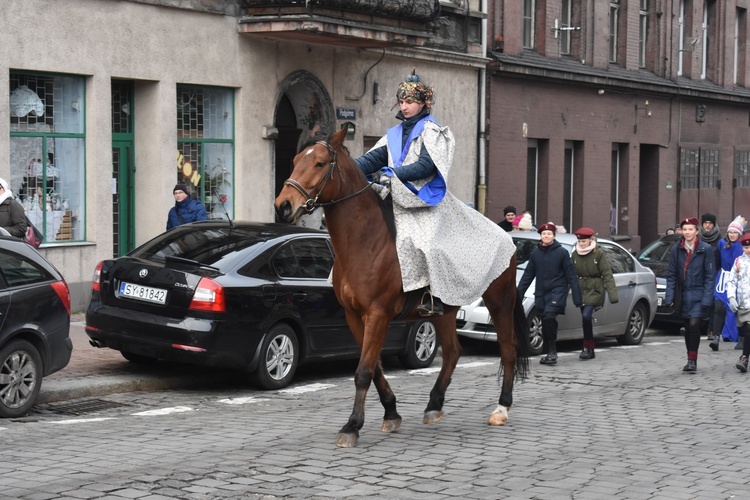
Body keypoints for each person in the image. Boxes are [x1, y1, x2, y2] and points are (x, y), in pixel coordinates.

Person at [354, 69, 516, 317]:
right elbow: (372, 158)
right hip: (397, 198)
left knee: (429, 244)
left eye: (410, 102)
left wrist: (391, 174)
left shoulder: (432, 130)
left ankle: (433, 296)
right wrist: (348, 167)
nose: (405, 107)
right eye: (402, 102)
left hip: (426, 200)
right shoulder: (394, 134)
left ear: (424, 103)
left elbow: (426, 166)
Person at [517, 222, 582, 365]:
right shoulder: (535, 253)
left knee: (549, 317)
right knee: (545, 320)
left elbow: (571, 275)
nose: (546, 236)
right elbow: (528, 275)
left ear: (554, 236)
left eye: (549, 234)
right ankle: (549, 351)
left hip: (557, 291)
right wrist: (518, 296)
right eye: (544, 234)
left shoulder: (562, 253)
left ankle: (552, 352)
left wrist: (578, 298)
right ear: (540, 236)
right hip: (541, 293)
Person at [663, 217, 715, 373]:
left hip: (699, 293)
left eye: (690, 229)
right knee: (687, 326)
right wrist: (670, 296)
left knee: (694, 325)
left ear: (697, 231)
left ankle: (693, 360)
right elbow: (671, 274)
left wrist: (707, 299)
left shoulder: (706, 249)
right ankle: (690, 358)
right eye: (685, 229)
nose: (687, 232)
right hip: (684, 294)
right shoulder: (676, 250)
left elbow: (710, 276)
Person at [571, 227, 619, 360]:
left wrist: (612, 294)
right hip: (581, 289)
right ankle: (589, 348)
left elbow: (607, 274)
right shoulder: (575, 254)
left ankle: (587, 347)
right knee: (585, 319)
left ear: (590, 240)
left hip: (595, 289)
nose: (581, 244)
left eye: (584, 241)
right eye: (579, 241)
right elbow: (571, 273)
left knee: (586, 316)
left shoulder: (599, 254)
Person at [710, 216, 745, 352]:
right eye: (730, 232)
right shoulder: (721, 244)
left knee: (736, 309)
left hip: (737, 279)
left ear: (739, 234)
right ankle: (716, 337)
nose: (732, 234)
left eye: (735, 232)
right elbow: (717, 259)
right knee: (718, 308)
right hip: (723, 279)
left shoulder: (742, 247)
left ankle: (739, 337)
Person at [726, 233, 750, 373]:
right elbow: (731, 281)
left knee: (748, 330)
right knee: (743, 330)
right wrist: (731, 297)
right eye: (746, 247)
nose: (748, 250)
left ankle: (744, 357)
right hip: (742, 303)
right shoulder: (738, 261)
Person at [699, 213, 721, 340]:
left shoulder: (719, 240)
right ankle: (698, 326)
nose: (707, 225)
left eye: (710, 223)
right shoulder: (697, 238)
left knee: (712, 302)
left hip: (714, 273)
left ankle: (711, 328)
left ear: (714, 225)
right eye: (705, 223)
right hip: (699, 273)